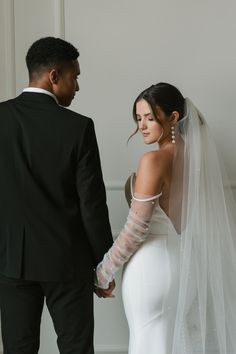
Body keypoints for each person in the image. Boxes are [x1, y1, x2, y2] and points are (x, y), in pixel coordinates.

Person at [95, 83, 236, 353]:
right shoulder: (196, 161)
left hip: (151, 268)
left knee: (146, 343)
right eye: (138, 119)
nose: (143, 126)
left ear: (173, 117)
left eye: (150, 117)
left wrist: (103, 272)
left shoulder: (154, 160)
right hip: (183, 265)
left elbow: (135, 229)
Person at [0, 36, 115, 354]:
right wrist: (103, 265)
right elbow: (91, 205)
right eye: (74, 76)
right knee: (76, 348)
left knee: (17, 349)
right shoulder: (78, 128)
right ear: (54, 76)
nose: (77, 86)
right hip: (68, 261)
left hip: (11, 262)